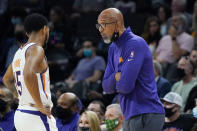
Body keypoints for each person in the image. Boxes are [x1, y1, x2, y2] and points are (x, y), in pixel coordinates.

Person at [97, 8, 165, 131]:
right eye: (99, 25)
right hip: (129, 114)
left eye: (104, 25)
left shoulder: (135, 43)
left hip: (147, 113)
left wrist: (117, 78)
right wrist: (117, 76)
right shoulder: (113, 48)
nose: (100, 30)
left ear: (117, 23)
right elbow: (106, 87)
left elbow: (125, 87)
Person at [3, 13, 58, 131]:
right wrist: (40, 106)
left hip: (21, 113)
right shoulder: (37, 49)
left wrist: (19, 96)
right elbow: (28, 75)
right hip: (36, 114)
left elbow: (6, 79)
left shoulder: (19, 53)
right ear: (45, 29)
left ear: (27, 33)